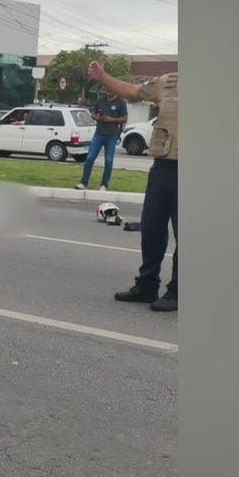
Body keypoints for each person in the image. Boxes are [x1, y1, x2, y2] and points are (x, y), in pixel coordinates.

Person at [87, 60, 178, 312]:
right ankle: (147, 285)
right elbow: (132, 91)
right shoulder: (168, 82)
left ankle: (178, 291)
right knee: (151, 229)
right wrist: (103, 76)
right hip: (162, 167)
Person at [76, 88, 128, 191]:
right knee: (90, 157)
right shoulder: (100, 100)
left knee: (108, 160)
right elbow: (93, 113)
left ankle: (104, 184)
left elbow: (125, 118)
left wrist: (112, 119)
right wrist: (98, 118)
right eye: (107, 91)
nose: (108, 93)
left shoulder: (121, 103)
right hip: (99, 134)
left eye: (110, 91)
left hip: (111, 136)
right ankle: (83, 182)